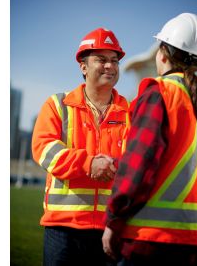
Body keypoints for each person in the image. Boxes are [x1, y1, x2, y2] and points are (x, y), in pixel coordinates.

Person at [102, 13, 197, 266]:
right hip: (193, 242)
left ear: (162, 54)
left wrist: (114, 219)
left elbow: (139, 165)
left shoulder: (158, 94)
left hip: (148, 242)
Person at [32, 27, 129, 266]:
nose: (110, 66)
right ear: (83, 66)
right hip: (63, 229)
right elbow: (43, 149)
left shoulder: (131, 111)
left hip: (111, 229)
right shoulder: (58, 105)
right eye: (101, 60)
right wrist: (89, 163)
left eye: (114, 61)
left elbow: (135, 162)